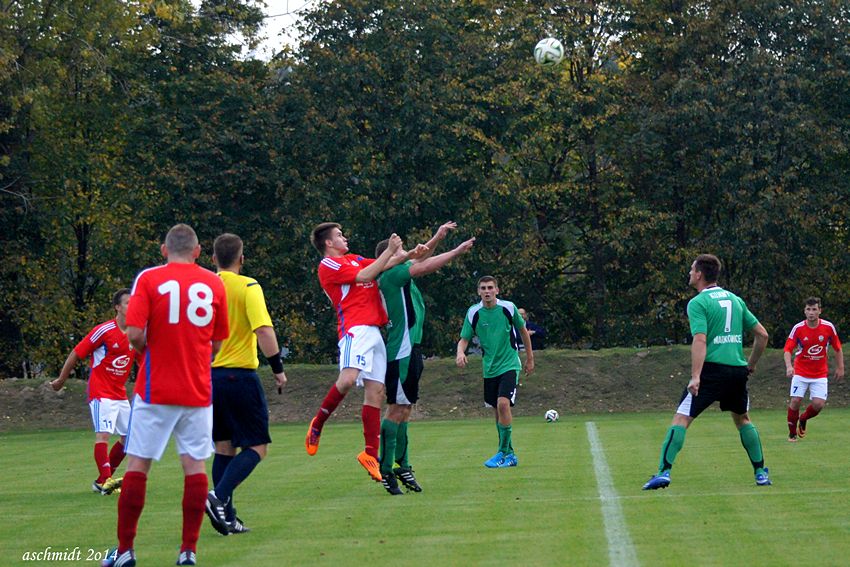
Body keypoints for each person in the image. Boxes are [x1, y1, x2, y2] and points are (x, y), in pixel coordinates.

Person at [102, 224, 229, 567]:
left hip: (154, 387)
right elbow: (217, 343)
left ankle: (126, 550)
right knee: (194, 465)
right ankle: (188, 550)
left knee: (138, 464)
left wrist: (150, 347)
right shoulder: (214, 282)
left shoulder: (148, 279)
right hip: (197, 388)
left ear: (163, 250)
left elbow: (134, 335)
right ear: (198, 252)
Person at [305, 222, 427, 483]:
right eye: (339, 235)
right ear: (328, 243)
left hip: (374, 330)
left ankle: (370, 453)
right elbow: (365, 276)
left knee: (377, 392)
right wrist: (392, 251)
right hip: (354, 329)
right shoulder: (328, 264)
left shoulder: (354, 259)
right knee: (348, 379)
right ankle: (318, 423)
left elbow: (382, 265)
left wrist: (407, 254)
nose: (344, 237)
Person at [642, 254, 771, 490]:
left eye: (692, 270)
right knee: (742, 419)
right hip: (736, 371)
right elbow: (762, 335)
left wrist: (696, 376)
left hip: (712, 371)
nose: (690, 273)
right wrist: (750, 364)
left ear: (700, 274)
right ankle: (761, 472)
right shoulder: (735, 300)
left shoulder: (698, 303)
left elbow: (700, 339)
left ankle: (664, 472)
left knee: (681, 419)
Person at [376, 222, 475, 495]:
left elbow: (420, 258)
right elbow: (425, 265)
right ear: (390, 257)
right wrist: (455, 251)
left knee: (405, 408)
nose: (408, 253)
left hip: (411, 349)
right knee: (396, 408)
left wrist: (438, 236)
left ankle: (402, 464)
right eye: (400, 251)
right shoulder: (392, 276)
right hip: (402, 350)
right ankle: (385, 469)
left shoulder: (397, 272)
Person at [205, 233, 288, 535]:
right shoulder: (248, 286)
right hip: (238, 375)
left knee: (224, 447)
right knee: (257, 447)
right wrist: (278, 368)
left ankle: (227, 515)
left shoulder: (205, 287)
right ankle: (217, 497)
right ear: (241, 259)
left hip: (209, 377)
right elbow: (263, 330)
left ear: (213, 259)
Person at [51, 289, 135, 496]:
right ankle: (106, 479)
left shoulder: (136, 332)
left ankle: (102, 480)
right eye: (127, 303)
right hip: (101, 392)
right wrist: (61, 380)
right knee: (103, 435)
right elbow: (77, 353)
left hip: (119, 394)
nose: (132, 306)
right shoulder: (104, 330)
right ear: (117, 307)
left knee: (130, 438)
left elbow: (144, 362)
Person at [456, 276, 534, 468]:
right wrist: (460, 352)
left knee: (503, 404)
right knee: (497, 411)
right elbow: (464, 338)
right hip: (489, 368)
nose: (487, 291)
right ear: (478, 292)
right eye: (483, 288)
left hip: (509, 364)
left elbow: (523, 332)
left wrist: (530, 358)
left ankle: (502, 451)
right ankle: (509, 454)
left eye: (490, 287)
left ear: (497, 290)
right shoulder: (473, 312)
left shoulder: (508, 308)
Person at [784, 297, 844, 442]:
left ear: (819, 311)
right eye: (808, 309)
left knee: (818, 404)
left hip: (819, 374)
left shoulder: (828, 327)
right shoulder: (798, 328)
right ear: (804, 311)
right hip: (800, 372)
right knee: (796, 400)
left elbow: (837, 347)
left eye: (814, 309)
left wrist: (840, 367)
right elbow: (787, 349)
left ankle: (803, 418)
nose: (811, 312)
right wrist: (789, 366)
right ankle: (792, 434)